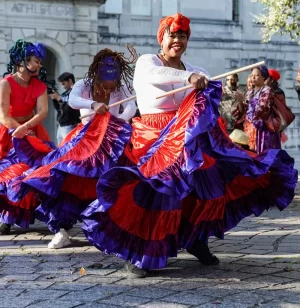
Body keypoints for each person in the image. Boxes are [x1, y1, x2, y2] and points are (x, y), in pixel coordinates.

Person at [81, 14, 297, 278]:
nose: (177, 40)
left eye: (182, 36)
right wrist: (190, 77)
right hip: (152, 137)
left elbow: (208, 91)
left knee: (206, 185)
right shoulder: (148, 61)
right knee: (158, 193)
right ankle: (141, 252)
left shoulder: (195, 69)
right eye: (172, 35)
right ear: (162, 37)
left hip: (186, 138)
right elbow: (157, 75)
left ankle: (196, 238)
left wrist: (219, 90)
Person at [9, 47, 137, 249]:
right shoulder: (84, 84)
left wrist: (118, 120)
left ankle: (111, 228)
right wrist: (94, 105)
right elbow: (74, 100)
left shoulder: (120, 87)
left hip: (112, 140)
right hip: (83, 138)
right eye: (107, 84)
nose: (110, 90)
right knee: (64, 176)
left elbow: (131, 105)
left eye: (113, 85)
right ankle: (62, 230)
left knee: (115, 179)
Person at [0, 39, 51, 235]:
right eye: (36, 61)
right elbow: (3, 116)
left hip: (32, 132)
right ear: (22, 62)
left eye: (40, 61)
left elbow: (42, 112)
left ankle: (30, 213)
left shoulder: (39, 85)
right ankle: (6, 217)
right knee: (10, 171)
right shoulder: (6, 84)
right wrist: (19, 129)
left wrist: (27, 128)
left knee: (36, 171)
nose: (40, 64)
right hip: (9, 134)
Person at [234, 66, 281, 153]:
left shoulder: (267, 91)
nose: (253, 78)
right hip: (249, 129)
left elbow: (261, 110)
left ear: (263, 77)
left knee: (261, 156)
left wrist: (244, 100)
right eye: (252, 75)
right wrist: (240, 102)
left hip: (262, 131)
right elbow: (243, 113)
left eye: (257, 75)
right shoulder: (249, 92)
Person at [49, 72, 80, 145]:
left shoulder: (75, 92)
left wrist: (59, 99)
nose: (63, 86)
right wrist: (54, 99)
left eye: (64, 83)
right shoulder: (65, 94)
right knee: (60, 148)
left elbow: (69, 109)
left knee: (68, 148)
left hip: (70, 125)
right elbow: (59, 110)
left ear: (69, 81)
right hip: (62, 125)